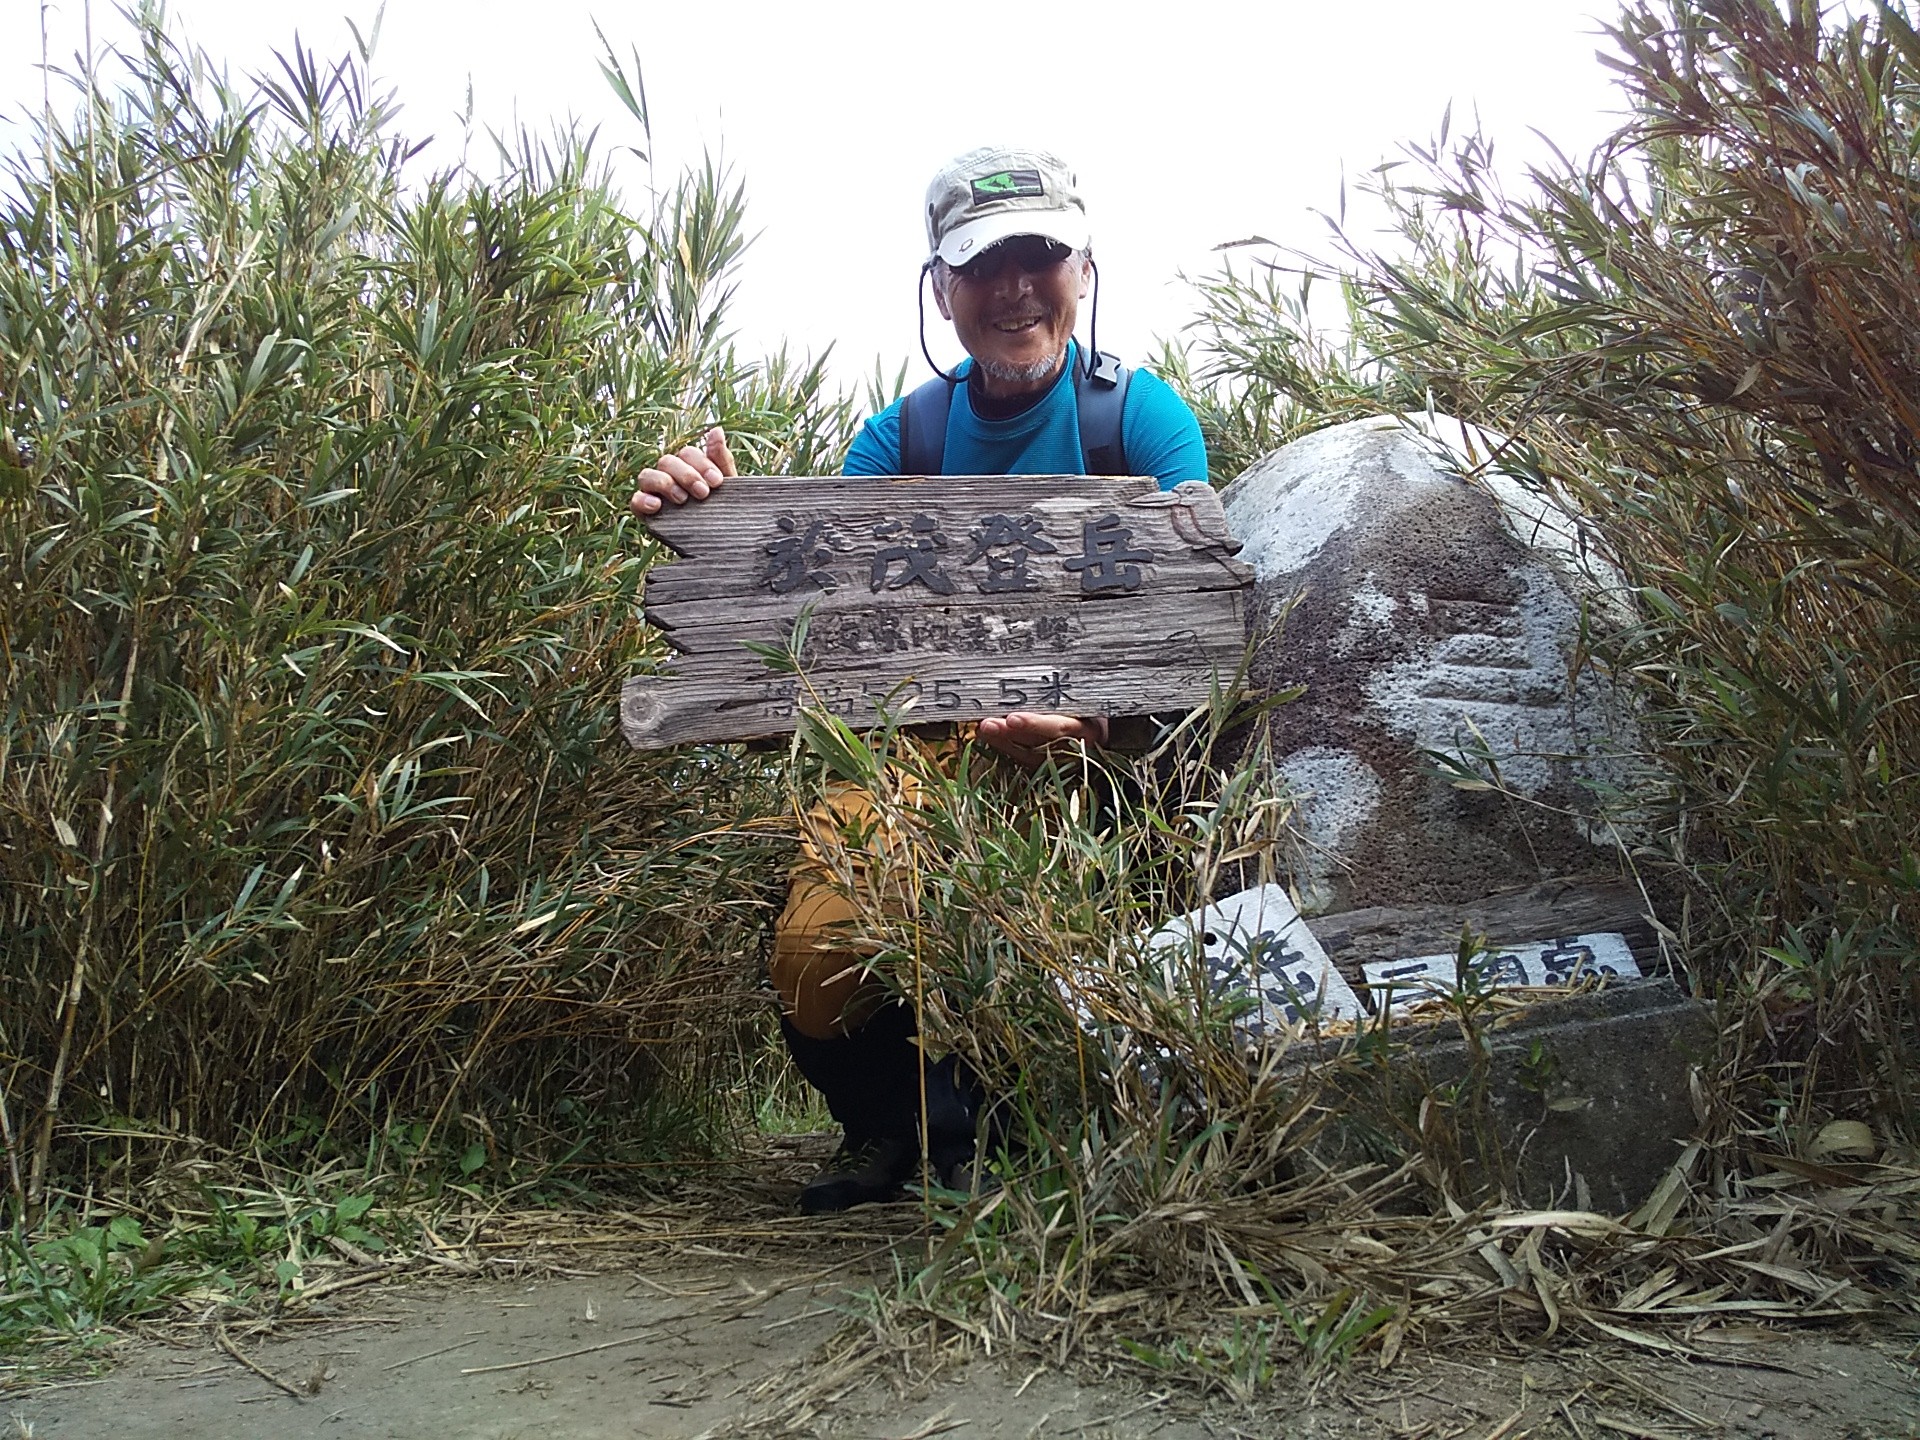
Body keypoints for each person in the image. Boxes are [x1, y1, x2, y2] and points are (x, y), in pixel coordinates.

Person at [630, 145, 1207, 1212]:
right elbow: (820, 634)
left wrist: (1089, 722)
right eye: (984, 265)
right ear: (942, 292)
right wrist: (708, 524)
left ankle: (1030, 1128)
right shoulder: (902, 438)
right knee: (816, 953)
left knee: (1087, 910)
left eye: (1039, 255)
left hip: (1102, 763)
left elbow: (1182, 622)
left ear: (1081, 266)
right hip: (921, 758)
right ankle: (885, 1128)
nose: (1015, 288)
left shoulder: (1140, 420)